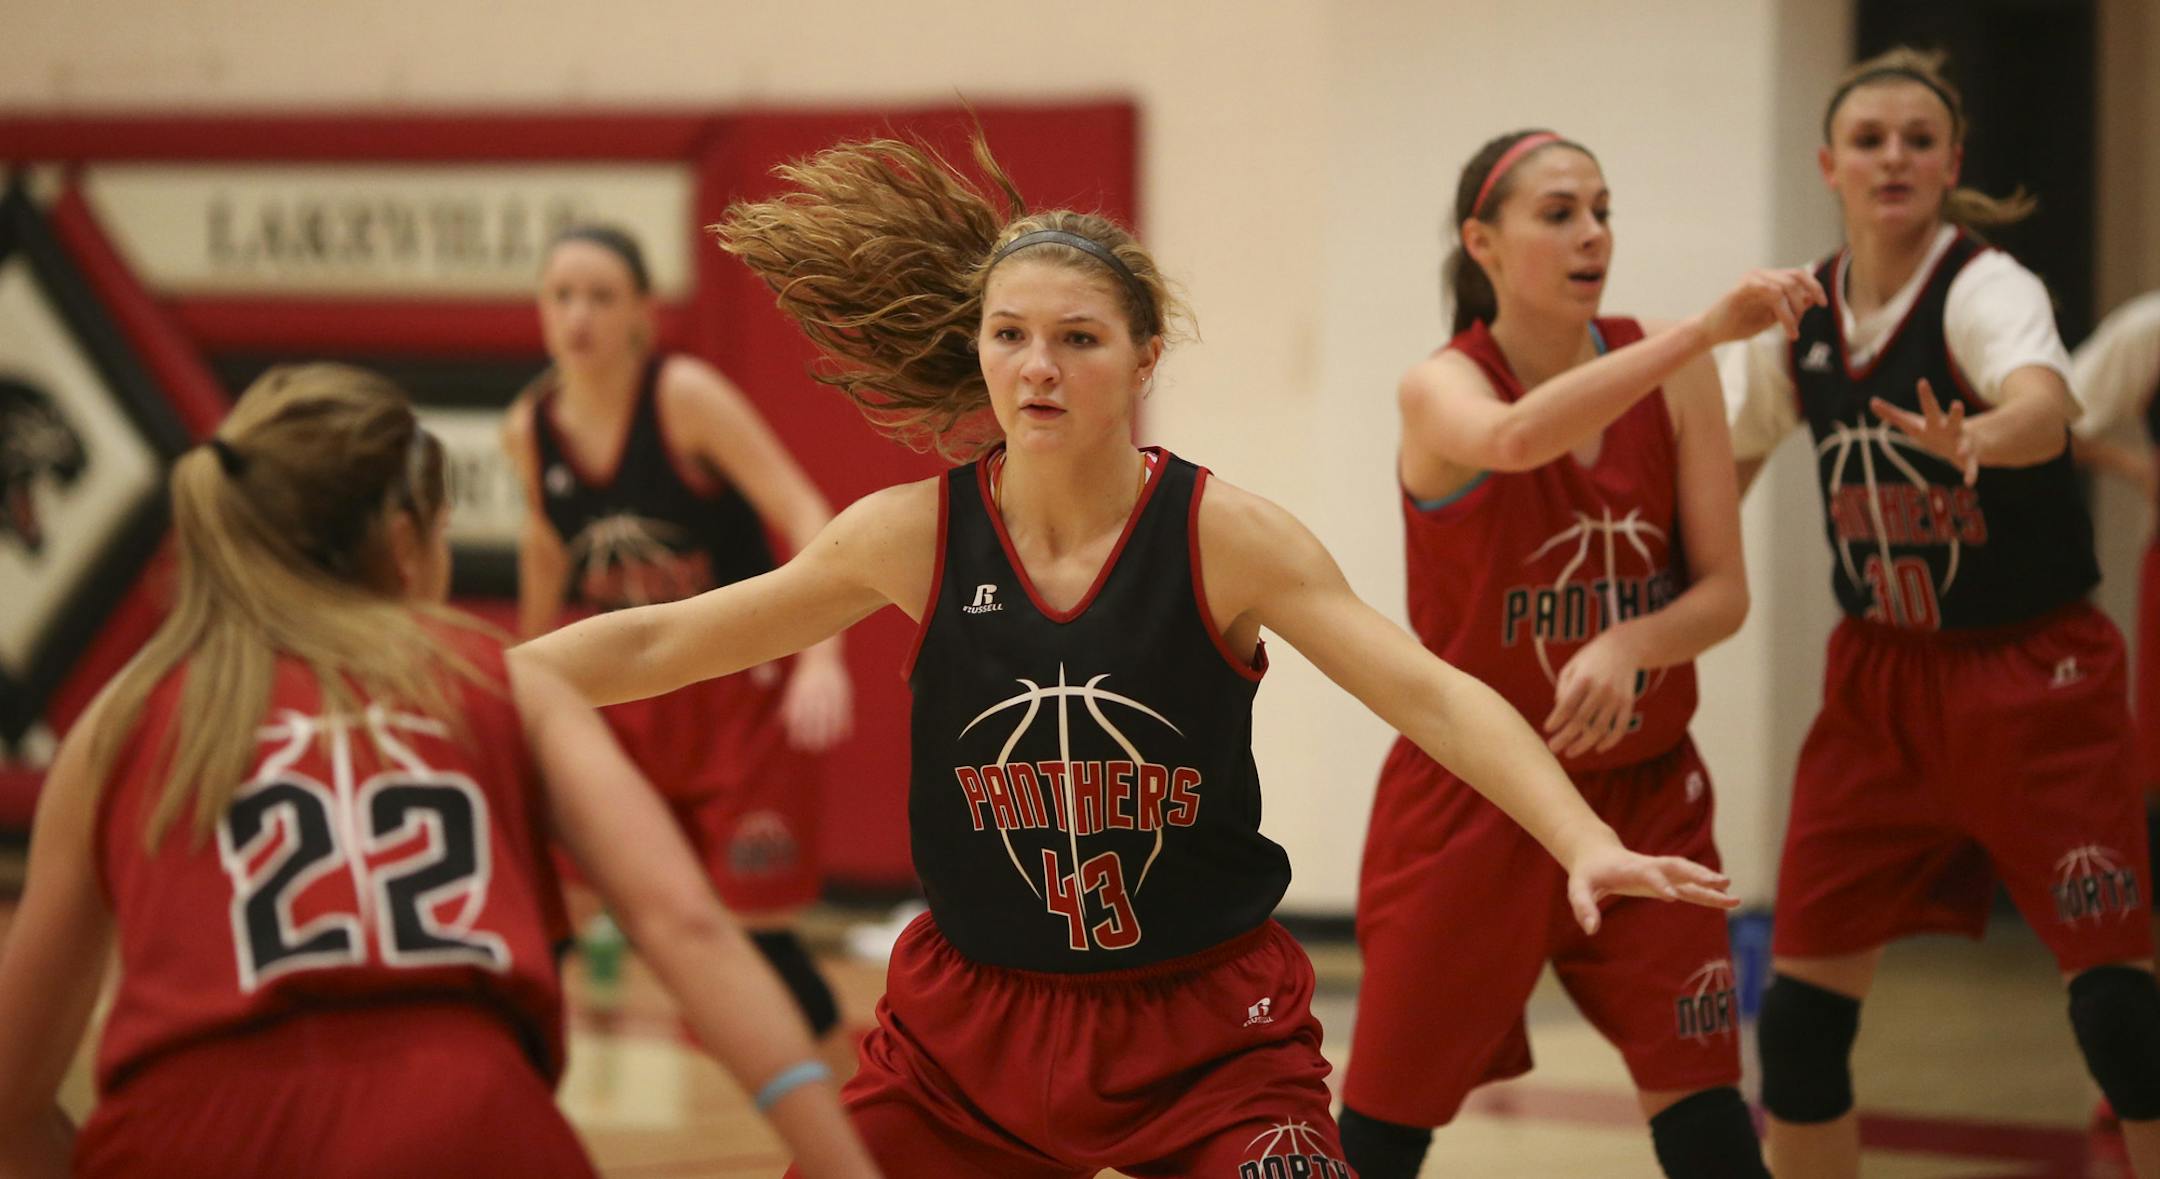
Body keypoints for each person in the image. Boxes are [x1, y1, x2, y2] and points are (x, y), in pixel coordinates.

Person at [515, 133, 1739, 1178]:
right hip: (965, 1039)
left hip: (1207, 1032)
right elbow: (668, 635)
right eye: (1009, 336)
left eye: (1079, 340)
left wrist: (1583, 839)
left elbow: (1428, 694)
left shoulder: (1224, 536)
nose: (1037, 367)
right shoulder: (911, 536)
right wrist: (477, 684)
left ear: (1146, 358)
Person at [0, 364, 878, 1179]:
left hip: (189, 1125)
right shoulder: (497, 683)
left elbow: (12, 1102)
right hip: (462, 1119)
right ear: (406, 538)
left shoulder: (118, 722)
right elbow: (686, 928)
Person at [1339, 128, 1823, 1179]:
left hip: (1646, 793)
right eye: (1559, 213)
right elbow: (1515, 440)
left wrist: (1632, 639)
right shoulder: (1439, 387)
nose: (1593, 233)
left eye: (1602, 210)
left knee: (1705, 1114)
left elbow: (1723, 595)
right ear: (1483, 241)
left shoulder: (1673, 376)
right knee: (1383, 1127)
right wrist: (1702, 333)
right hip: (1479, 796)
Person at [1724, 48, 2160, 1178]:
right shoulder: (1801, 321)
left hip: (2033, 677)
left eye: (1919, 139)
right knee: (1805, 1036)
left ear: (1951, 162)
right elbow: (1724, 471)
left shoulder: (1985, 287)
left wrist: (1981, 438)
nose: (1894, 157)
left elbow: (2046, 409)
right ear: (1830, 165)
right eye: (1870, 139)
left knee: (2126, 1028)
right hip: (1878, 688)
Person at [502, 224, 851, 1043]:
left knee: (756, 935)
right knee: (562, 896)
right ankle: (507, 1062)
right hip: (628, 683)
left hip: (735, 681)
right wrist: (523, 682)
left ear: (640, 314)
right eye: (561, 295)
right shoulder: (530, 427)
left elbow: (803, 509)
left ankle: (844, 1093)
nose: (578, 314)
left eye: (601, 295)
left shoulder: (684, 395)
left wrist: (822, 655)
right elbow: (546, 552)